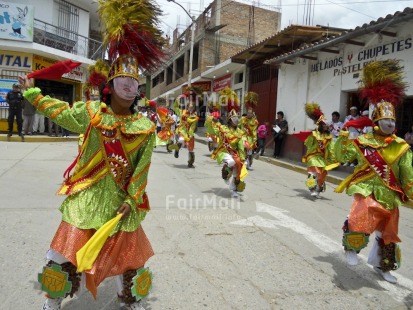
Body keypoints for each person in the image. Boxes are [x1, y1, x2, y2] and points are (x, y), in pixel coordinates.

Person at [21, 0, 165, 308]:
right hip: (85, 196)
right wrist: (32, 92)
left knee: (131, 260)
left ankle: (133, 300)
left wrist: (131, 199)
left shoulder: (144, 127)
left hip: (120, 203)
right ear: (110, 86)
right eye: (122, 80)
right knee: (63, 254)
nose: (129, 84)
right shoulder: (90, 113)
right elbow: (57, 110)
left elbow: (142, 169)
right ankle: (52, 301)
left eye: (134, 81)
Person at [334, 59, 412, 284]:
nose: (389, 122)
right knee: (362, 214)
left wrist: (410, 189)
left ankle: (383, 265)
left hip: (390, 192)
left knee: (388, 232)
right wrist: (341, 139)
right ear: (376, 121)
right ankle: (351, 248)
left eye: (392, 119)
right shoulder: (363, 141)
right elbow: (343, 158)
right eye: (385, 119)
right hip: (366, 187)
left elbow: (407, 171)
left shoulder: (400, 145)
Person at [205, 109, 247, 198]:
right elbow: (212, 130)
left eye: (236, 119)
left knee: (238, 168)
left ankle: (234, 190)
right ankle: (225, 175)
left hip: (233, 153)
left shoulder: (239, 132)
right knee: (231, 162)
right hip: (223, 151)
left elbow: (240, 146)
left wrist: (242, 157)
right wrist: (211, 119)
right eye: (233, 119)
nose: (236, 121)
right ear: (229, 120)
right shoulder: (222, 128)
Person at [302, 103, 338, 199]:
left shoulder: (329, 137)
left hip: (322, 158)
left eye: (328, 126)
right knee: (313, 172)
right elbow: (308, 143)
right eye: (325, 125)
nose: (327, 127)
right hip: (313, 156)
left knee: (321, 175)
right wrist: (312, 135)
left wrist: (334, 158)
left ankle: (317, 189)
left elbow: (331, 148)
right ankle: (312, 187)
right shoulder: (314, 134)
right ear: (321, 126)